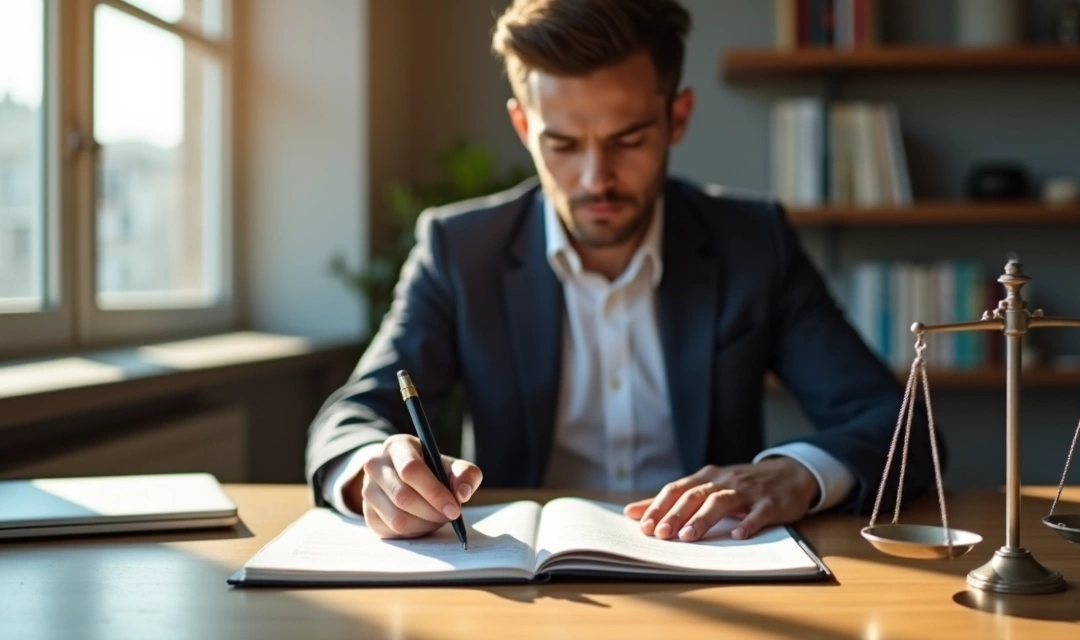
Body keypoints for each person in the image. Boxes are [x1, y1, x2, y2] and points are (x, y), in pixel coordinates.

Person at [306, 0, 941, 543]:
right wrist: (373, 471)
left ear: (677, 118)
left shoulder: (754, 243)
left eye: (628, 139)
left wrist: (797, 473)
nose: (596, 178)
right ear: (523, 126)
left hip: (709, 560)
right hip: (519, 586)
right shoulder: (459, 249)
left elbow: (901, 424)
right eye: (562, 143)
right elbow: (350, 419)